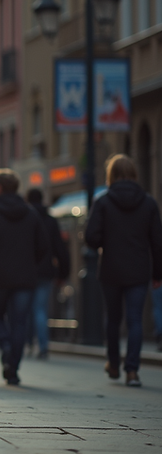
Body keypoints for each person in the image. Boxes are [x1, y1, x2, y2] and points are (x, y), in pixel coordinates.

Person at [85, 154, 162, 387]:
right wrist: (158, 274)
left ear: (111, 175)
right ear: (134, 174)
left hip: (111, 269)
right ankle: (132, 371)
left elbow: (91, 238)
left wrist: (104, 243)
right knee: (135, 319)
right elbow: (157, 242)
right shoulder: (148, 203)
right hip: (139, 270)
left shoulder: (103, 201)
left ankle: (114, 363)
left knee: (113, 318)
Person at [0, 169, 48, 386]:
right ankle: (13, 367)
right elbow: (43, 246)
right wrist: (32, 262)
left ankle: (4, 344)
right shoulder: (31, 214)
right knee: (20, 322)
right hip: (25, 277)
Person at [25, 188, 70, 360]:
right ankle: (43, 346)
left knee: (28, 309)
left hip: (28, 271)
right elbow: (60, 247)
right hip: (45, 271)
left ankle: (29, 343)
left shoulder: (26, 218)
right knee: (40, 309)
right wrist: (63, 273)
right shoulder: (50, 220)